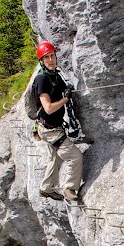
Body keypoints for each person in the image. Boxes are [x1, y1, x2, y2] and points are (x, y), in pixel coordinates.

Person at [33, 41, 83, 202]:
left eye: (52, 55)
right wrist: (65, 98)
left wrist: (66, 89)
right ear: (42, 61)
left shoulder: (54, 74)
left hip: (50, 127)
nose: (50, 60)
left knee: (56, 157)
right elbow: (48, 108)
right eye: (46, 57)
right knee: (75, 156)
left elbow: (61, 87)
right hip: (50, 129)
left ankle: (46, 188)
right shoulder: (42, 80)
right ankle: (69, 188)